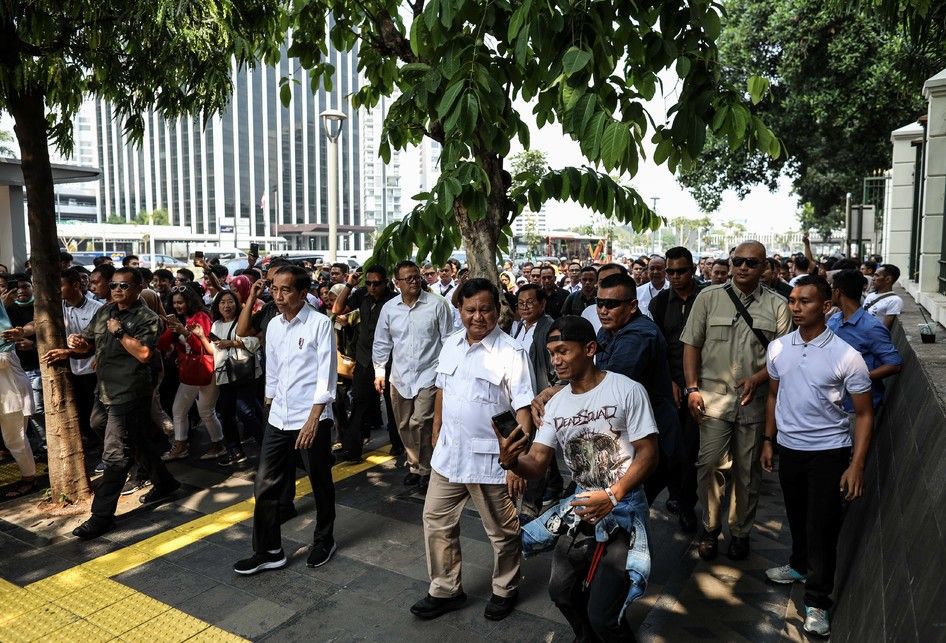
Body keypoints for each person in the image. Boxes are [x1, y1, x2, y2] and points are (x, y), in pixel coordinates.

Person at [500, 315, 659, 641]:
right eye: (551, 353)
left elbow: (648, 453)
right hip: (582, 503)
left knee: (604, 615)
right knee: (562, 592)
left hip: (624, 506)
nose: (555, 361)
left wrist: (613, 495)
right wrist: (513, 461)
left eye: (563, 351)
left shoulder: (627, 390)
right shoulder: (556, 404)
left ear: (589, 348)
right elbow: (538, 463)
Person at [410, 279, 534, 622]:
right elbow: (442, 389)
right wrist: (436, 431)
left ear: (497, 310)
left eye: (486, 309)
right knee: (435, 520)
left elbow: (522, 410)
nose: (478, 317)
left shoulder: (511, 352)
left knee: (502, 530)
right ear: (460, 310)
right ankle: (446, 590)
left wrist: (515, 464)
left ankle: (505, 589)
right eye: (470, 310)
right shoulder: (451, 344)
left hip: (491, 459)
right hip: (449, 455)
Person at [761, 276, 874, 637]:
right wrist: (768, 440)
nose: (796, 307)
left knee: (821, 527)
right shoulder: (778, 348)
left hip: (829, 453)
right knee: (795, 513)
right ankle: (798, 564)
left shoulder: (847, 356)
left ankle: (817, 602)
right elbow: (773, 396)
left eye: (805, 301)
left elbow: (864, 413)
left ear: (826, 307)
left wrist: (856, 464)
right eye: (793, 300)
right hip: (790, 450)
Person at [680, 241, 792, 561]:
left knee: (748, 472)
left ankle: (741, 532)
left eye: (752, 263)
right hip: (713, 399)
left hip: (753, 403)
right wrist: (691, 389)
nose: (743, 268)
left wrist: (757, 379)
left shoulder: (778, 306)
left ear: (764, 267)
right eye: (738, 261)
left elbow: (781, 359)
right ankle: (710, 528)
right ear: (730, 263)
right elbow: (691, 346)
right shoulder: (708, 298)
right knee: (710, 465)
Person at [233, 265, 338, 574]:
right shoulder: (274, 325)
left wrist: (313, 420)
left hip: (312, 418)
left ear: (302, 293)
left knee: (320, 482)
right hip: (279, 417)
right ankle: (268, 550)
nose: (277, 296)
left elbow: (326, 376)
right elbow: (274, 369)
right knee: (265, 484)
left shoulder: (320, 325)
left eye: (286, 290)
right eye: (274, 289)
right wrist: (269, 405)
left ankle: (324, 539)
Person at [70, 268, 179, 539]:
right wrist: (77, 343)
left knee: (115, 456)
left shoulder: (147, 317)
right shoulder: (105, 312)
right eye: (114, 285)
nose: (117, 290)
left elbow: (143, 354)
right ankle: (164, 481)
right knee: (113, 430)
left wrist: (119, 333)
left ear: (138, 287)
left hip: (130, 391)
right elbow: (88, 344)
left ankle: (101, 516)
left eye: (124, 286)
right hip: (105, 389)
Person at [373, 260, 454, 492]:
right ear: (397, 283)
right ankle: (414, 465)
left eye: (416, 276)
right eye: (407, 278)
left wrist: (445, 374)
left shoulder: (437, 305)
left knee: (422, 422)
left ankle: (428, 469)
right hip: (399, 377)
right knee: (404, 424)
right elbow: (381, 342)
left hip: (429, 374)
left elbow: (448, 340)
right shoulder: (389, 309)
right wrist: (380, 371)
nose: (413, 281)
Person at [649, 247, 705, 533]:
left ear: (692, 269)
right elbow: (658, 347)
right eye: (669, 272)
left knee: (693, 448)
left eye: (680, 271)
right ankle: (681, 500)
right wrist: (669, 381)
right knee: (674, 450)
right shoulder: (659, 303)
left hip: (704, 385)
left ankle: (688, 503)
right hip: (671, 387)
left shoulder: (707, 297)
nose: (674, 277)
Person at [332, 265, 402, 461]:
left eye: (376, 284)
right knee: (359, 403)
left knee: (392, 404)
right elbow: (337, 309)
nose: (372, 287)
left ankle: (398, 445)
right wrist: (349, 284)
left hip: (389, 361)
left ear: (385, 283)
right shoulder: (361, 295)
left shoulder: (394, 301)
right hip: (364, 359)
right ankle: (352, 449)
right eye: (369, 283)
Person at [41, 269, 104, 467]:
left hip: (94, 370)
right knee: (83, 415)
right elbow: (37, 325)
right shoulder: (57, 308)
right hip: (72, 371)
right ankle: (93, 448)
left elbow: (99, 343)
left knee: (99, 418)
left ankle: (108, 455)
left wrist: (74, 351)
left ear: (76, 285)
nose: (57, 291)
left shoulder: (97, 309)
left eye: (61, 286)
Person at [510, 284, 562, 519]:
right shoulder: (518, 327)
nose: (525, 307)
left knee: (535, 448)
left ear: (542, 304)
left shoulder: (548, 328)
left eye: (530, 302)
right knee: (537, 447)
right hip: (519, 398)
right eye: (521, 303)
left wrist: (548, 395)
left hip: (539, 398)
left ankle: (532, 501)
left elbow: (554, 369)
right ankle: (554, 483)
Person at [158, 285, 225, 461]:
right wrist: (168, 326)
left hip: (206, 369)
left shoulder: (201, 317)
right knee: (178, 409)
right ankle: (181, 446)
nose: (178, 306)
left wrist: (185, 333)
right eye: (174, 303)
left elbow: (204, 348)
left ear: (189, 301)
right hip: (189, 371)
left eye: (181, 302)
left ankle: (219, 445)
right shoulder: (177, 319)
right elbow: (163, 344)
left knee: (206, 411)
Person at [202, 290, 263, 465]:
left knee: (246, 412)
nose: (226, 306)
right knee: (227, 414)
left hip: (245, 373)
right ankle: (235, 450)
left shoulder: (243, 322)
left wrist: (233, 343)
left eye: (230, 302)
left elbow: (255, 343)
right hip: (224, 374)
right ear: (217, 306)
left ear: (236, 304)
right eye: (222, 302)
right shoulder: (216, 325)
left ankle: (266, 446)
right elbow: (215, 350)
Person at [827, 270, 902, 411]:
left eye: (832, 288)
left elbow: (894, 364)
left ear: (837, 292)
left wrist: (857, 378)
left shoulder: (871, 327)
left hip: (857, 408)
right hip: (834, 404)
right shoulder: (834, 320)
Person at [0, 299, 36, 498]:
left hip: (10, 390)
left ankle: (29, 479)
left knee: (15, 438)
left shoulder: (5, 343)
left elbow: (4, 360)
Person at [863, 264, 903, 330]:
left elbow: (884, 329)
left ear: (888, 279)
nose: (873, 278)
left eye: (877, 275)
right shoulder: (870, 295)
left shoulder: (895, 300)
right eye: (874, 275)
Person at [636, 254, 669, 320]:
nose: (655, 272)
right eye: (652, 269)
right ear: (647, 270)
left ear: (665, 271)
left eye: (659, 269)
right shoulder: (638, 291)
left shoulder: (672, 289)